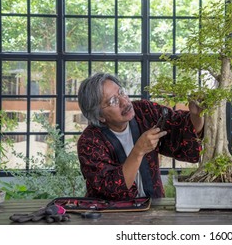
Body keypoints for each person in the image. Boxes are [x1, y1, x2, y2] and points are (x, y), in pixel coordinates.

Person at [77, 72, 204, 200]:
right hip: (111, 215)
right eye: (113, 101)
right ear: (100, 116)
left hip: (153, 207)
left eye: (121, 92)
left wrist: (196, 115)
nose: (124, 101)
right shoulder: (89, 142)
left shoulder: (144, 111)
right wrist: (139, 151)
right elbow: (110, 190)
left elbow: (182, 129)